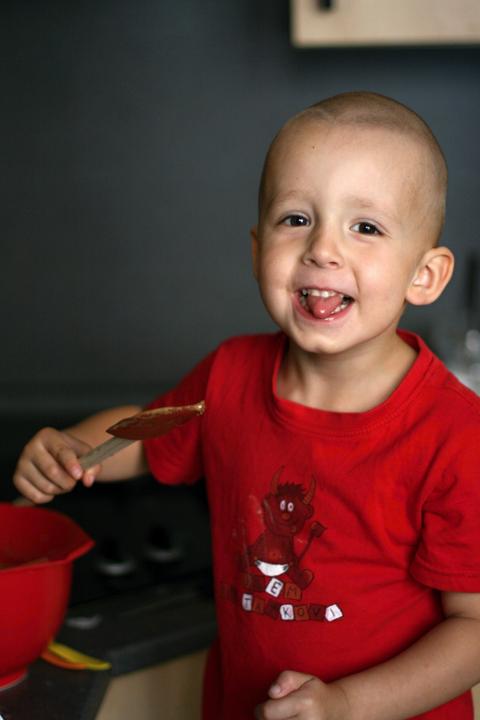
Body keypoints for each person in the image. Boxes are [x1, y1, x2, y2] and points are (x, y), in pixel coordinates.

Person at [13, 91, 480, 720]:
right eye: (297, 218)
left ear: (425, 275)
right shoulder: (230, 373)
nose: (322, 249)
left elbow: (474, 629)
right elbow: (144, 440)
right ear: (259, 252)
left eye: (365, 227)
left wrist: (346, 704)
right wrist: (75, 447)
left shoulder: (457, 436)